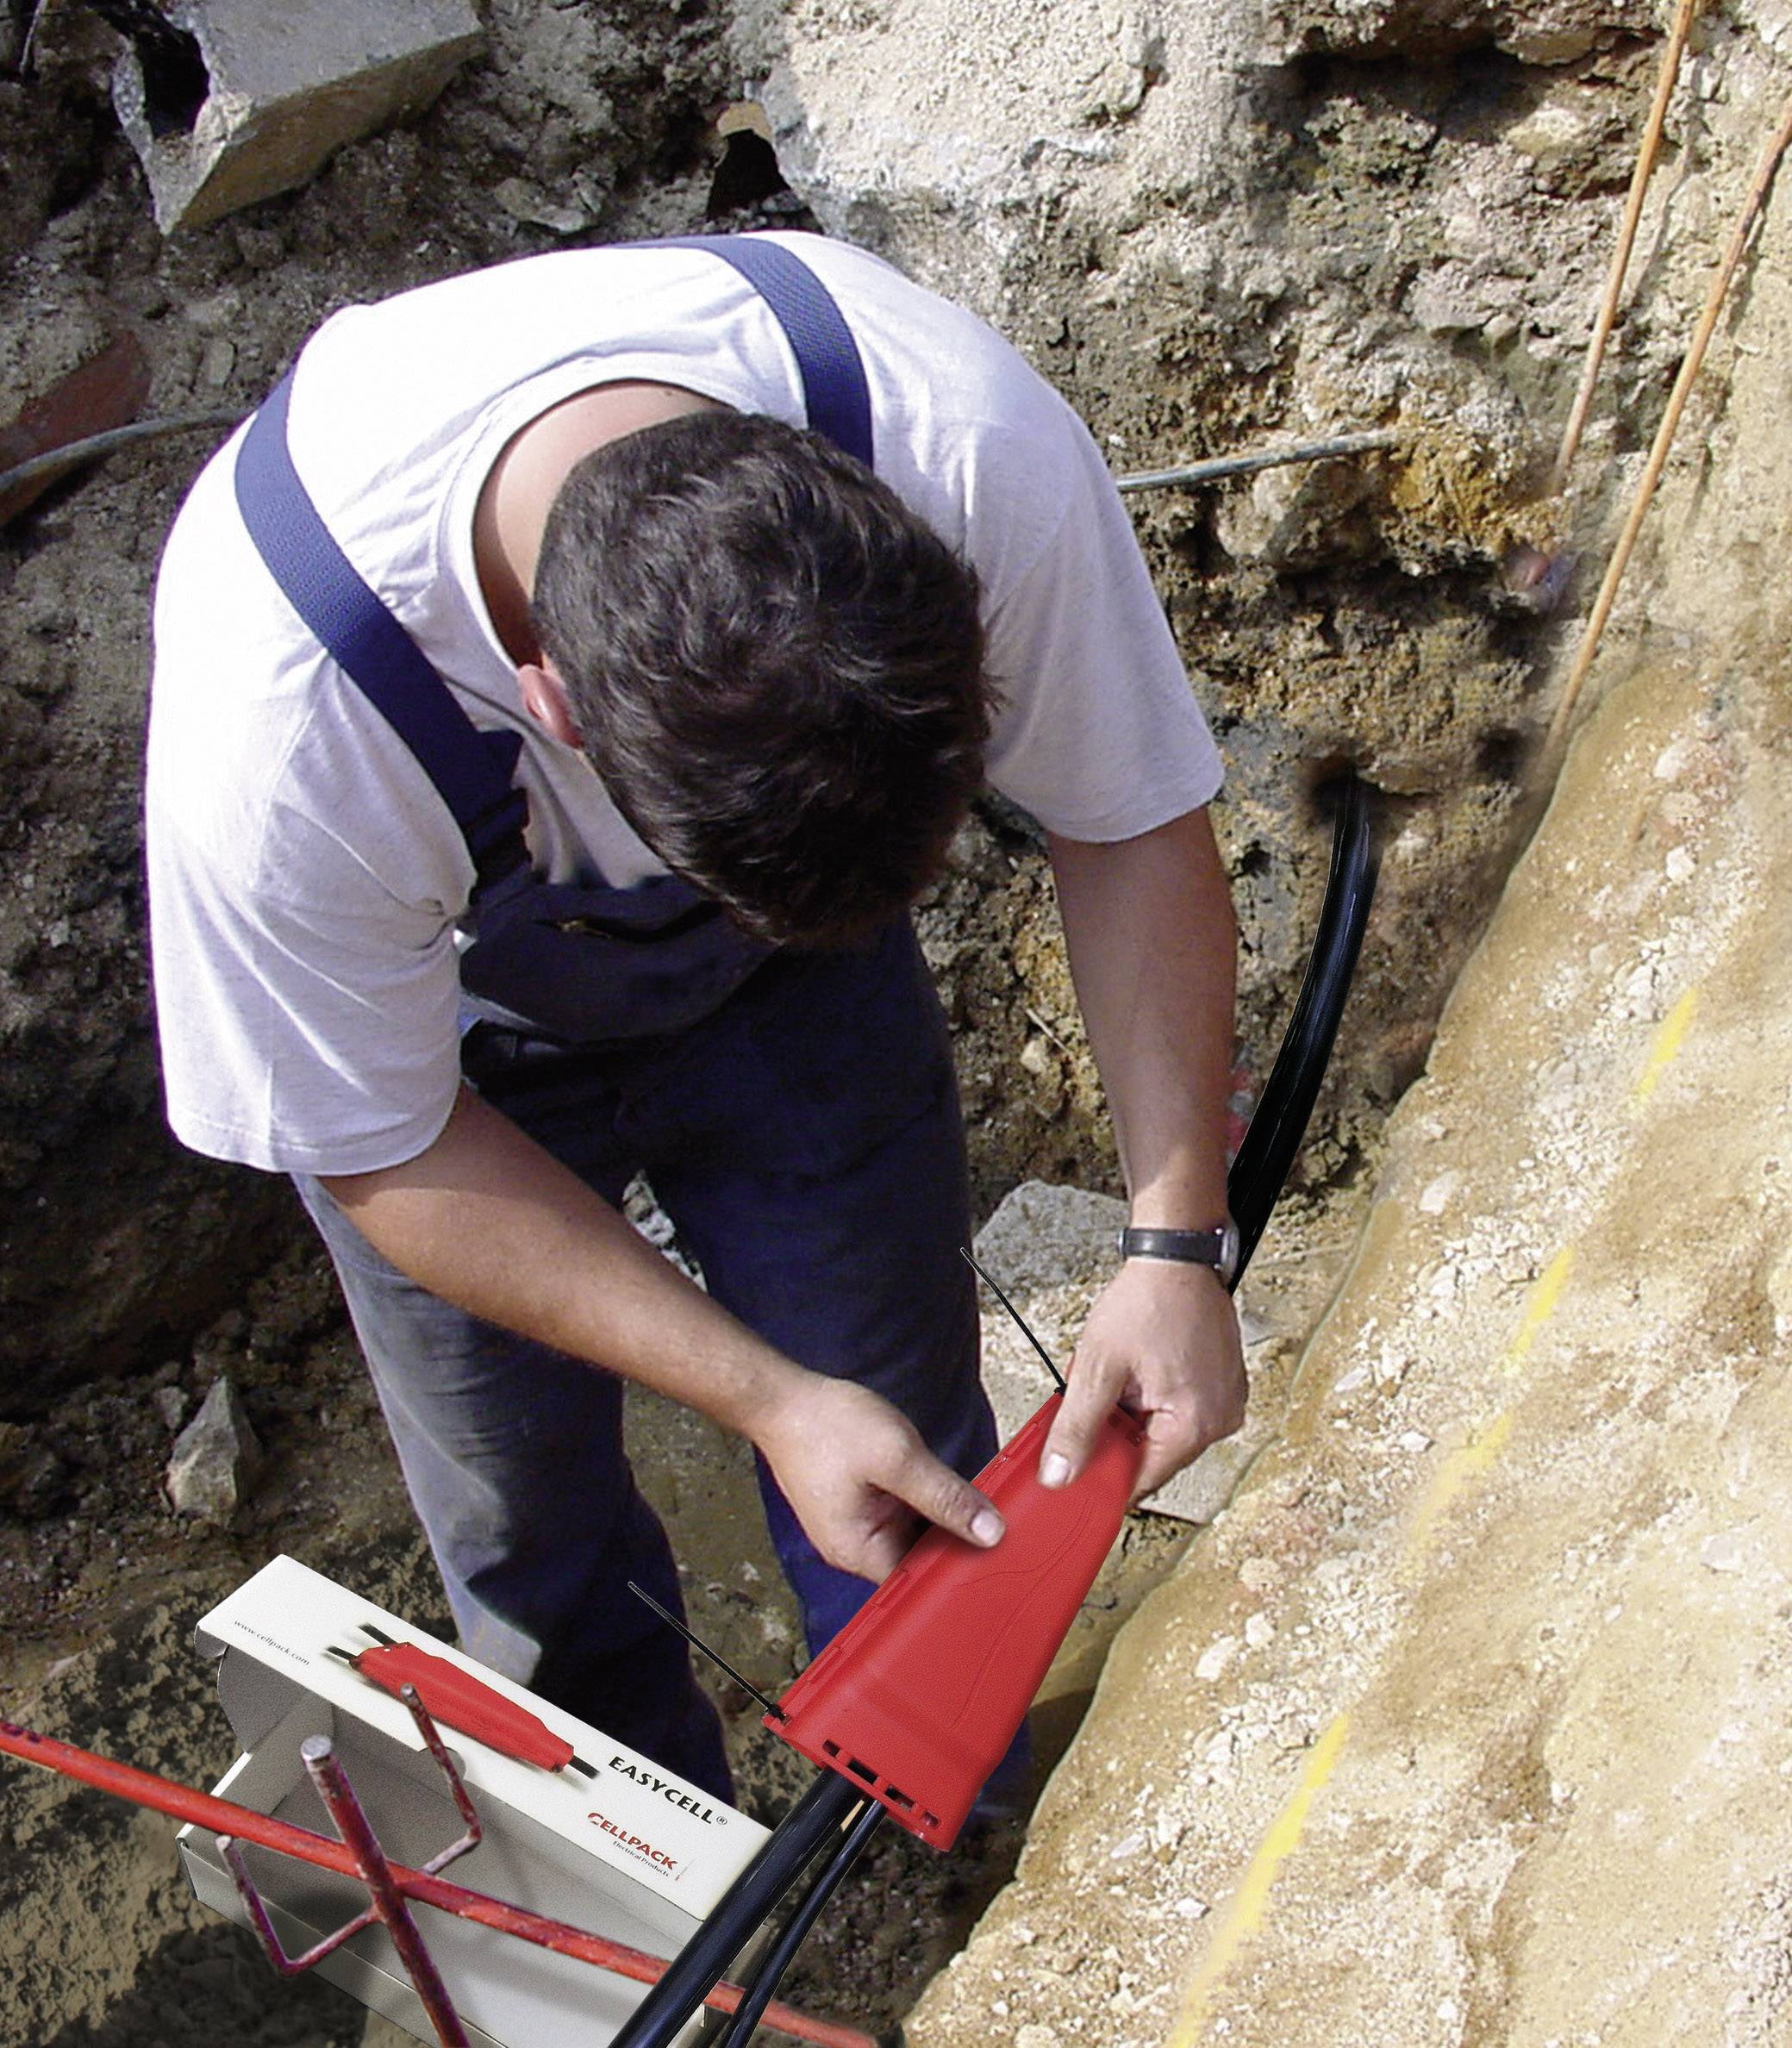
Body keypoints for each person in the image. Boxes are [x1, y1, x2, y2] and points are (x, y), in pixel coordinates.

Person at [146, 230, 1245, 1802]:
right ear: (555, 709)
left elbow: (1127, 816)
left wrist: (1173, 1240)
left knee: (901, 1442)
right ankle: (648, 1923)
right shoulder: (283, 739)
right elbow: (383, 1145)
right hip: (453, 1080)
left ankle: (944, 1819)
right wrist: (762, 1397)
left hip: (799, 1001)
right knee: (532, 1539)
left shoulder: (957, 439)